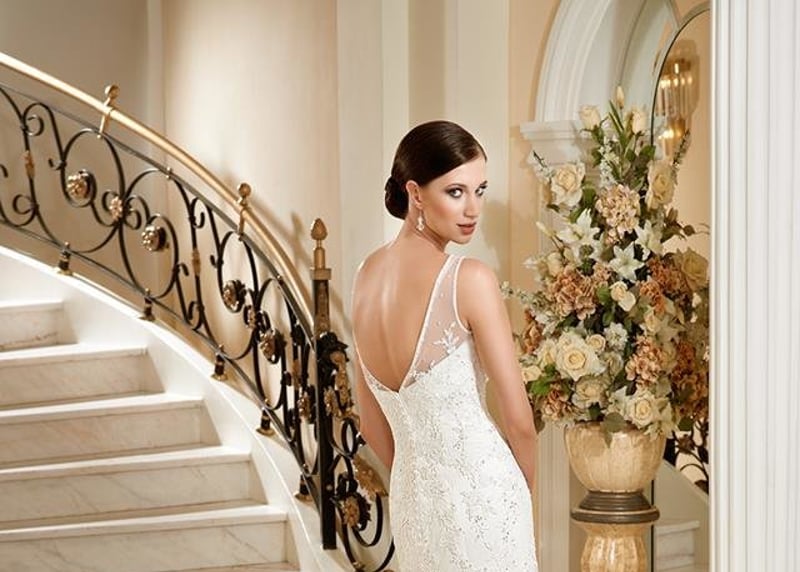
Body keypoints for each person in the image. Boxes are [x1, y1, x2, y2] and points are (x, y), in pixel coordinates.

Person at [351, 120, 539, 571]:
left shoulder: (364, 276)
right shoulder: (469, 279)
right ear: (415, 193)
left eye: (480, 190)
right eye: (455, 192)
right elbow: (520, 422)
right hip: (487, 497)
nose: (473, 209)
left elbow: (371, 425)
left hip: (413, 505)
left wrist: (425, 484)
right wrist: (518, 497)